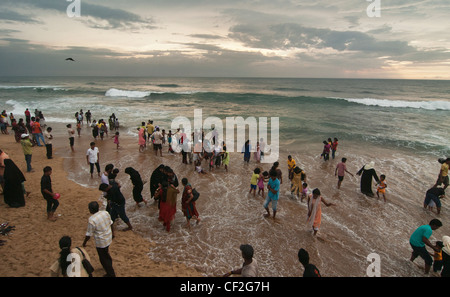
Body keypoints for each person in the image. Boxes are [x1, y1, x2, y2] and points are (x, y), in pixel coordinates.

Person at [82, 201, 116, 277]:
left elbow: (88, 234)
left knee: (103, 258)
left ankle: (110, 273)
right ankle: (108, 266)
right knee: (106, 253)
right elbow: (111, 223)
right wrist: (113, 233)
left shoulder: (92, 219)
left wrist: (84, 243)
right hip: (108, 237)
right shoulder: (105, 213)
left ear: (90, 210)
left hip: (101, 242)